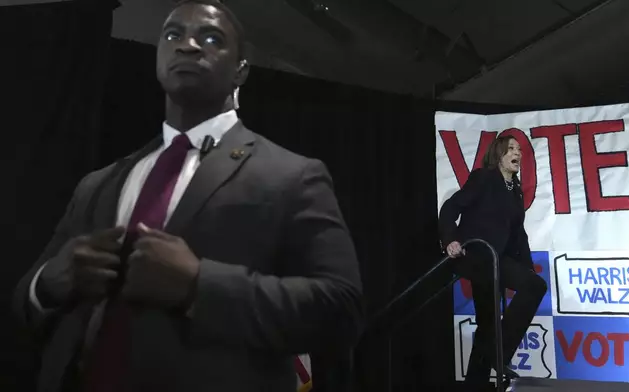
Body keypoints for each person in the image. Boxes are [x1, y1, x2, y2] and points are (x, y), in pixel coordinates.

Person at [11, 1, 363, 391]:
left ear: (241, 70)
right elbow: (23, 304)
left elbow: (340, 311)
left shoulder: (293, 176)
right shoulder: (98, 183)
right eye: (173, 35)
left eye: (211, 38)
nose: (188, 45)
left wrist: (199, 285)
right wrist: (49, 282)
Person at [438, 135, 547, 389]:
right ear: (499, 154)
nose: (517, 153)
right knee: (492, 319)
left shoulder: (516, 190)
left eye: (519, 150)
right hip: (477, 255)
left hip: (498, 260)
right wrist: (450, 239)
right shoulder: (484, 178)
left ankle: (474, 384)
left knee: (491, 321)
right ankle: (499, 353)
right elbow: (450, 207)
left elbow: (519, 235)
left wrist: (527, 268)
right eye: (511, 149)